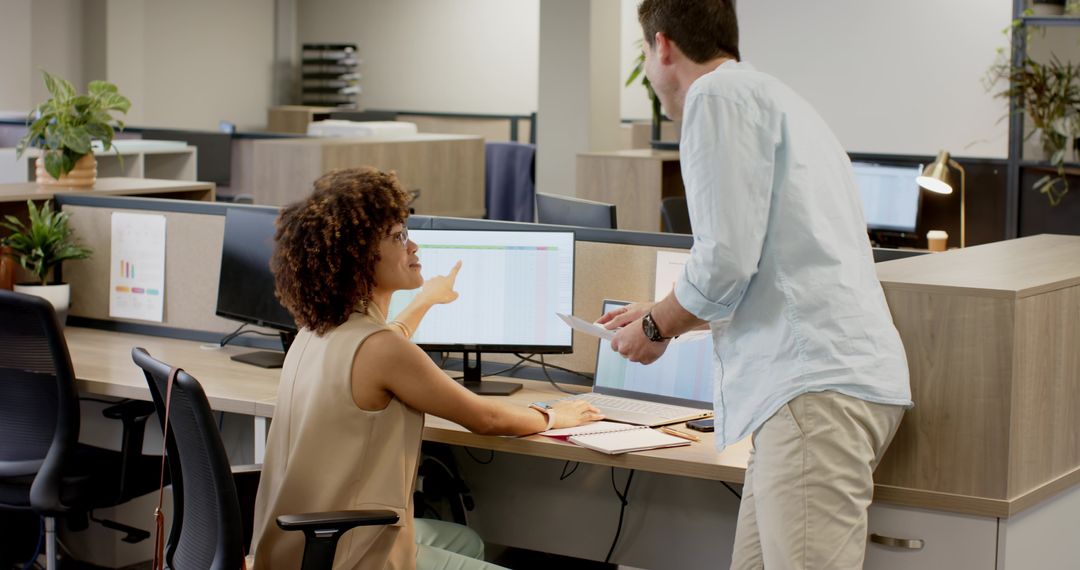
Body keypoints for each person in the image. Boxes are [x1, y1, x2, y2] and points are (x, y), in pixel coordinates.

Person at [598, 1, 913, 568]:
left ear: (663, 46)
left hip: (811, 391)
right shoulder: (779, 100)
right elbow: (770, 262)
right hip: (822, 386)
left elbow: (726, 262)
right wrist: (664, 308)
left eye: (646, 53)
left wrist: (654, 326)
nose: (648, 68)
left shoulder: (715, 97)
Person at [250, 167, 602, 570]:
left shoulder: (319, 330)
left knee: (463, 540)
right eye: (398, 236)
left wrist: (427, 299)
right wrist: (554, 414)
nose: (413, 246)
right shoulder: (381, 349)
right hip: (349, 557)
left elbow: (387, 341)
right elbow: (485, 418)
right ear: (359, 256)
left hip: (293, 551)